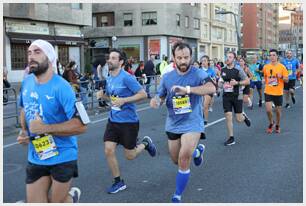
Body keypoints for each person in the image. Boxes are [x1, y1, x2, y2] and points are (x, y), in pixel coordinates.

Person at [16, 39, 87, 203]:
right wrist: (25, 131)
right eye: (29, 52)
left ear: (49, 57)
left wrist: (45, 128)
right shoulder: (26, 82)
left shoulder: (62, 87)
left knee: (57, 202)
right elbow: (24, 108)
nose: (31, 56)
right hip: (36, 155)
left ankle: (70, 197)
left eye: (37, 52)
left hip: (63, 155)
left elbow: (82, 125)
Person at [150, 42, 216, 203]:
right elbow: (161, 95)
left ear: (191, 57)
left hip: (192, 121)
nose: (183, 61)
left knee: (184, 158)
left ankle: (177, 195)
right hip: (173, 123)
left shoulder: (198, 73)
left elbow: (211, 88)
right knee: (175, 159)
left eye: (186, 57)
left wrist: (188, 90)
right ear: (174, 58)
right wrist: (156, 100)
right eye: (179, 58)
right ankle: (197, 151)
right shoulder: (167, 77)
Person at [96, 48, 157, 194]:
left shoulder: (127, 77)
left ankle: (145, 143)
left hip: (129, 122)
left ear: (121, 62)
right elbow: (113, 98)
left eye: (113, 58)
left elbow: (143, 94)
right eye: (109, 58)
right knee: (108, 149)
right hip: (113, 120)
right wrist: (102, 96)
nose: (109, 60)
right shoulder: (110, 77)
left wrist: (125, 100)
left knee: (130, 156)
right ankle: (118, 182)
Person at [218, 51, 251, 146]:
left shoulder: (238, 70)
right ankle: (231, 138)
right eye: (227, 56)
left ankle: (244, 117)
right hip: (226, 96)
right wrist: (221, 84)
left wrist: (237, 83)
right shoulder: (223, 70)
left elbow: (247, 81)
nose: (227, 58)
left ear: (234, 59)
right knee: (228, 116)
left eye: (230, 57)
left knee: (239, 119)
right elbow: (220, 82)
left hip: (238, 95)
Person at [263, 49, 288, 133]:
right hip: (268, 91)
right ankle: (271, 123)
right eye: (270, 55)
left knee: (278, 112)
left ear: (277, 56)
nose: (272, 57)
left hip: (278, 92)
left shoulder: (282, 67)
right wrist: (264, 80)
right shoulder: (266, 67)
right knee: (268, 110)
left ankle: (277, 125)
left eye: (274, 55)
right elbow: (265, 77)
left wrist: (281, 77)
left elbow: (287, 80)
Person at [200, 55, 217, 125]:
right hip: (200, 89)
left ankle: (205, 120)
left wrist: (213, 80)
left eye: (205, 61)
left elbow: (215, 80)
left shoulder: (211, 71)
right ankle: (202, 115)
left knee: (205, 105)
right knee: (200, 106)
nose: (203, 62)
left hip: (208, 90)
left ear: (208, 62)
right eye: (202, 61)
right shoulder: (199, 71)